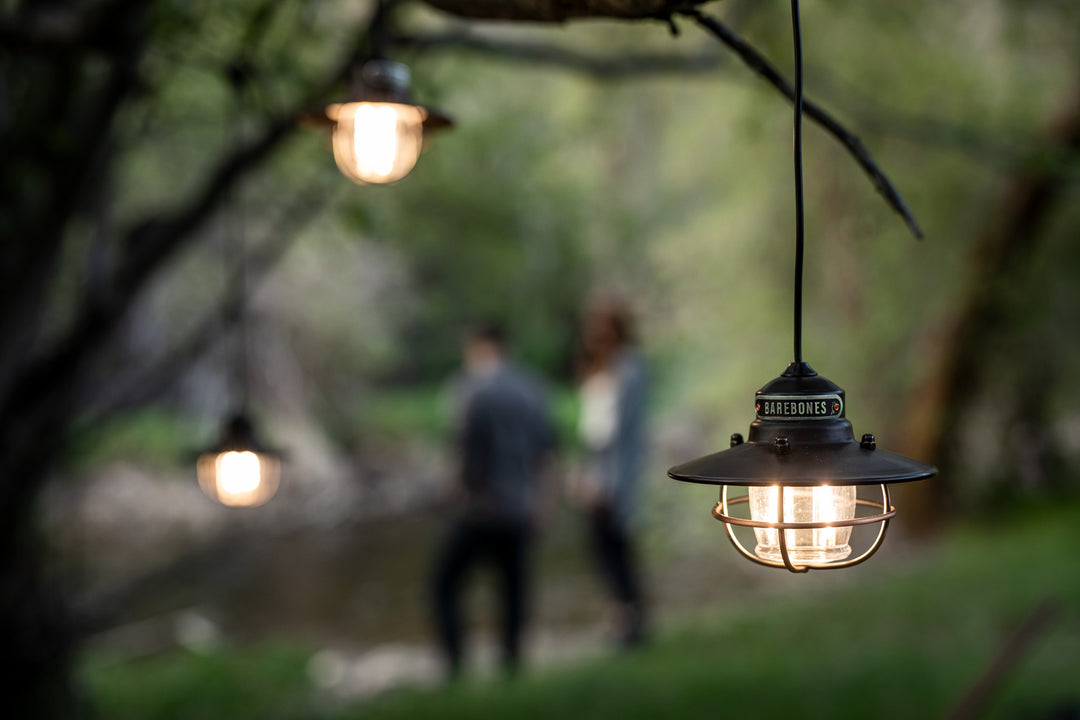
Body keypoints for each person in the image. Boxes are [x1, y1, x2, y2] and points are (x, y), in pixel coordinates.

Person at [431, 322, 555, 680]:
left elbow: (464, 448)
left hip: (482, 508)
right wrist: (544, 505)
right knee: (513, 589)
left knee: (444, 584)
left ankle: (455, 663)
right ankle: (512, 666)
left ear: (478, 347)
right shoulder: (533, 388)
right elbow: (546, 453)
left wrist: (455, 492)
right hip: (522, 508)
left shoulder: (469, 388)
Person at [571, 296, 648, 648]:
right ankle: (624, 618)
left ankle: (630, 622)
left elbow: (617, 434)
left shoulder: (627, 369)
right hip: (598, 470)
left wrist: (605, 483)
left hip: (611, 476)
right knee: (605, 549)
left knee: (614, 547)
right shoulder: (605, 367)